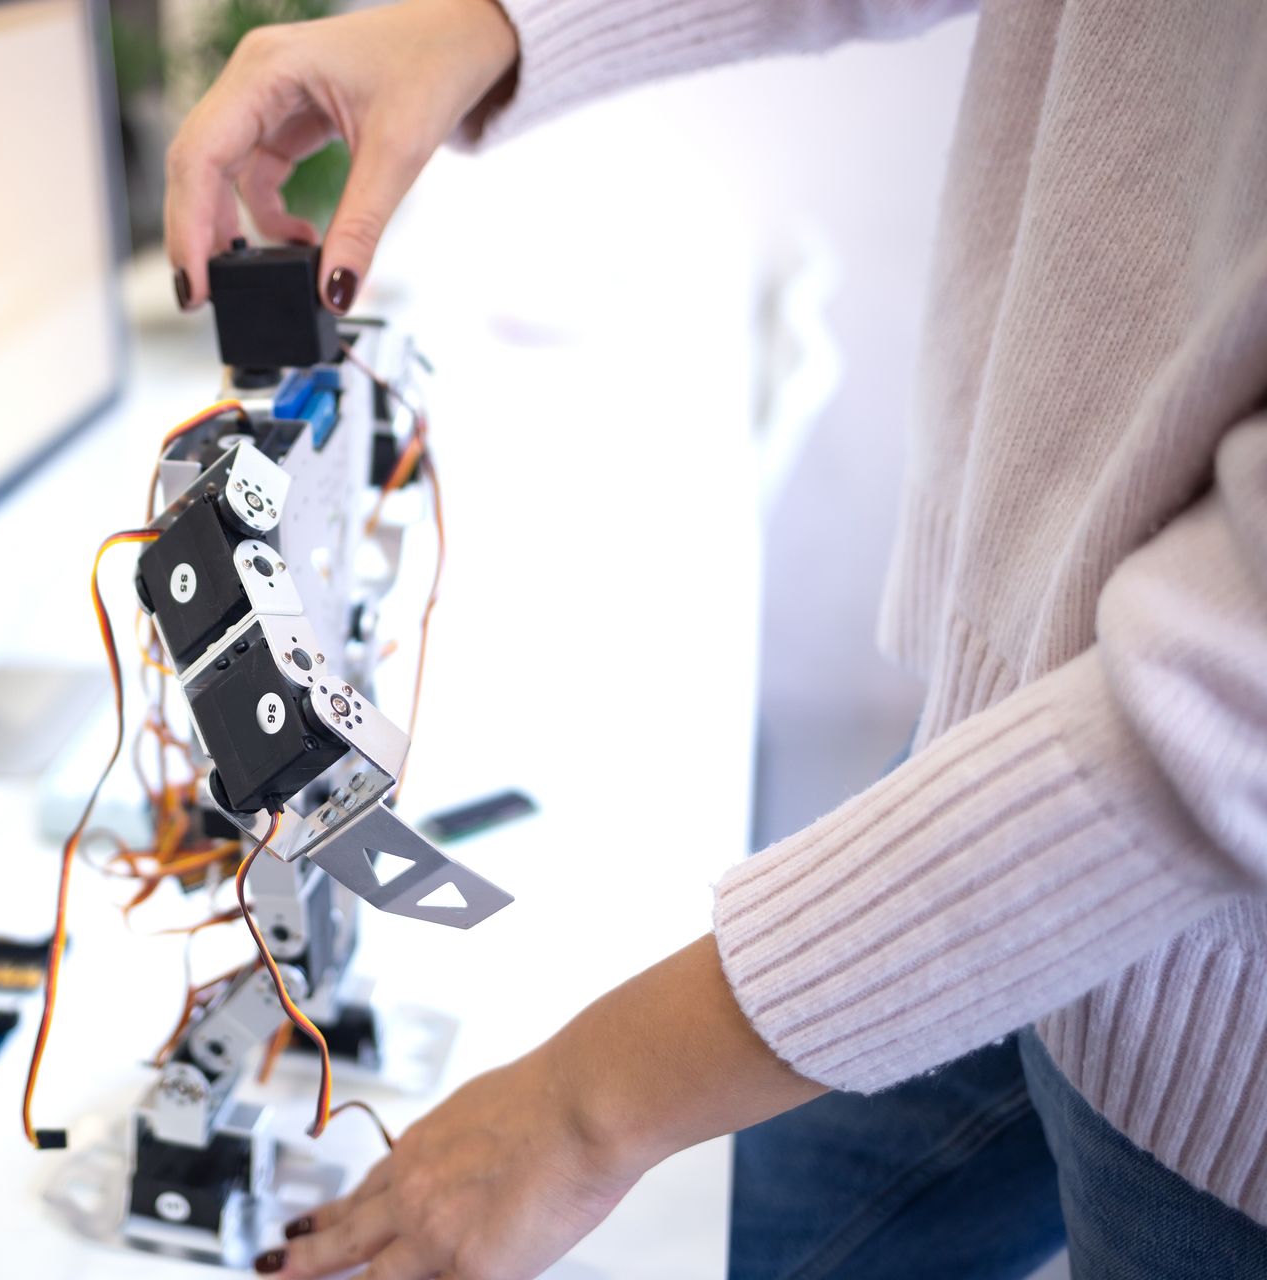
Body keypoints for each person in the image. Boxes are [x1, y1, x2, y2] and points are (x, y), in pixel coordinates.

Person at [162, 2, 1267, 1277]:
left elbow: (1222, 714)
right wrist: (490, 22)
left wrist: (579, 1109)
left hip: (1211, 1012)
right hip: (996, 771)